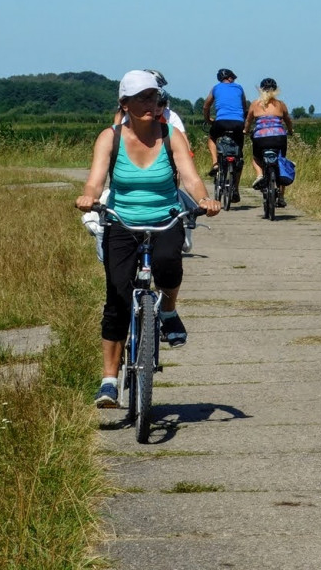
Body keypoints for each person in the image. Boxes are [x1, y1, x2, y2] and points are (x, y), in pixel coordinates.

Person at [77, 70, 220, 408]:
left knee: (168, 264)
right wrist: (88, 196)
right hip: (121, 222)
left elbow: (190, 177)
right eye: (141, 98)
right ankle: (109, 381)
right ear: (124, 104)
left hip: (165, 219)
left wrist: (203, 199)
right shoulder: (110, 138)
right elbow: (96, 179)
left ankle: (167, 311)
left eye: (153, 97)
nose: (149, 103)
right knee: (117, 296)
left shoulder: (171, 136)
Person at [244, 78, 294, 207]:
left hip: (260, 139)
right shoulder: (280, 104)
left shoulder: (255, 104)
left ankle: (260, 175)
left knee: (256, 158)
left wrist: (246, 130)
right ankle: (281, 197)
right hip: (279, 138)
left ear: (261, 90)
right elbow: (288, 120)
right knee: (281, 162)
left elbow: (248, 120)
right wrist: (290, 130)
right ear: (276, 90)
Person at [202, 68, 248, 202]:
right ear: (231, 78)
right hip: (238, 123)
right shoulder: (239, 88)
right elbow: (244, 106)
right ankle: (235, 189)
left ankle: (215, 163)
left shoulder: (216, 88)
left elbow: (206, 106)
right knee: (239, 156)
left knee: (212, 138)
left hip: (221, 122)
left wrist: (207, 119)